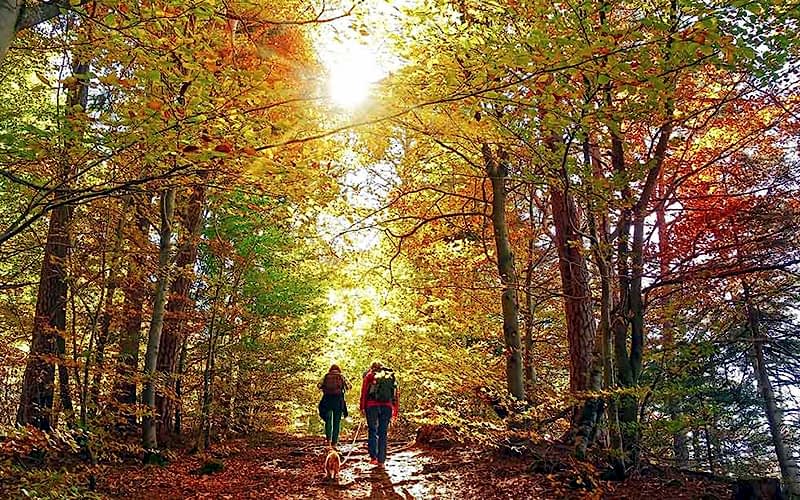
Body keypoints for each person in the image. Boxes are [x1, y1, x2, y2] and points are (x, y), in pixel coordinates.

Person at [359, 361, 398, 466]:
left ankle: (373, 458)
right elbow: (395, 394)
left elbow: (364, 392)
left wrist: (362, 407)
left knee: (372, 430)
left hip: (372, 406)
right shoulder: (390, 376)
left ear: (372, 367)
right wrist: (395, 410)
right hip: (387, 406)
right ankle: (381, 460)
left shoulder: (370, 375)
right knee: (383, 432)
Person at [317, 364, 351, 448]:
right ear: (338, 369)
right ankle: (334, 442)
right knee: (337, 422)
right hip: (338, 400)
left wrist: (326, 389)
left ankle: (328, 440)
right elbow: (349, 386)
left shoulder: (326, 376)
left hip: (327, 400)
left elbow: (318, 385)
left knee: (328, 420)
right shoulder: (341, 376)